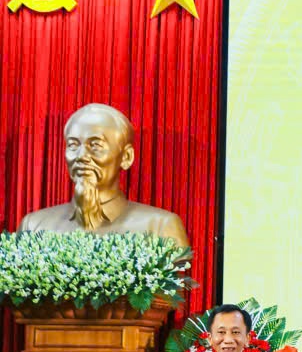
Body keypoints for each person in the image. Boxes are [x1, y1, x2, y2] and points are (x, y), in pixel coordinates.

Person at [18, 103, 189, 246]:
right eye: (73, 145)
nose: (81, 156)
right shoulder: (34, 227)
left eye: (95, 145)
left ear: (126, 157)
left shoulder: (160, 228)